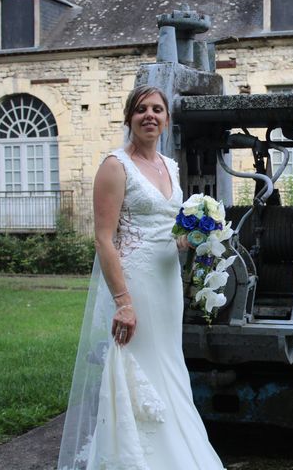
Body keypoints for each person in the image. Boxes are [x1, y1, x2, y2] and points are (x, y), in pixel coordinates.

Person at [58, 85, 225, 469]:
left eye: (157, 109)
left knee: (169, 363)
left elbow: (166, 226)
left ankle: (180, 451)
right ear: (129, 118)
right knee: (141, 363)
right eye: (141, 110)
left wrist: (193, 236)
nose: (149, 115)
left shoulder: (171, 165)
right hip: (136, 282)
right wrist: (123, 302)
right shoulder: (115, 166)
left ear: (167, 119)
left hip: (168, 282)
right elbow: (104, 238)